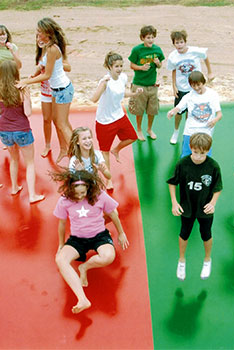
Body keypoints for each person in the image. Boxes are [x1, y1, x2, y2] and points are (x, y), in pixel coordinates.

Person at [52, 169, 129, 314]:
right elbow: (62, 224)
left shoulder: (99, 195)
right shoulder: (64, 200)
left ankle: (84, 267)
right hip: (77, 239)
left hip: (99, 235)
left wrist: (121, 233)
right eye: (77, 194)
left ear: (89, 187)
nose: (80, 196)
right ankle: (82, 299)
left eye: (83, 192)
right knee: (60, 259)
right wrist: (61, 244)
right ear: (70, 189)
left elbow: (113, 213)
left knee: (108, 257)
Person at [17, 17, 74, 164]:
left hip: (62, 89)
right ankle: (69, 150)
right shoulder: (48, 48)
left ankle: (77, 157)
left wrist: (26, 81)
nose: (37, 33)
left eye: (39, 31)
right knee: (60, 122)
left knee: (61, 124)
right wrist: (33, 75)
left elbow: (47, 75)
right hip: (57, 90)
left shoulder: (52, 49)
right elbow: (42, 67)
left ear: (47, 33)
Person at [167, 133, 222, 280]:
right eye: (195, 152)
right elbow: (172, 183)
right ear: (190, 147)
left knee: (206, 234)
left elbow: (218, 188)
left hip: (205, 209)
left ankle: (207, 260)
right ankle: (182, 260)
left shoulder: (213, 166)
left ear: (208, 150)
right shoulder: (182, 164)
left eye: (202, 153)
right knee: (184, 233)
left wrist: (212, 203)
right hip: (187, 207)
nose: (198, 156)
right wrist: (174, 202)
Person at [91, 51, 140, 189]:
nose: (119, 69)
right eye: (116, 66)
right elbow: (93, 99)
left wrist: (134, 94)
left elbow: (123, 93)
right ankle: (108, 180)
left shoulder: (123, 77)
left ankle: (116, 150)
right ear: (109, 66)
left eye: (121, 66)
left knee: (132, 137)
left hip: (119, 116)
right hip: (105, 121)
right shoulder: (105, 81)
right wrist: (102, 85)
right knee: (104, 151)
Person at [0, 60, 45, 203]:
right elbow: (28, 112)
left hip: (4, 131)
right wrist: (28, 97)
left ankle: (14, 187)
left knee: (14, 159)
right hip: (22, 130)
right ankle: (32, 195)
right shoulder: (22, 89)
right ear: (15, 72)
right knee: (30, 163)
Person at [167, 29, 214, 144]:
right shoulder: (173, 56)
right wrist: (174, 86)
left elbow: (205, 57)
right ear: (173, 44)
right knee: (178, 112)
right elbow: (173, 70)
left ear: (185, 42)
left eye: (181, 42)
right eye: (177, 43)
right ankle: (176, 131)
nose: (179, 45)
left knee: (191, 111)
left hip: (195, 87)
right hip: (181, 87)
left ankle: (188, 132)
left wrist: (210, 72)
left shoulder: (195, 51)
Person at [32, 35, 71, 158]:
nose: (39, 40)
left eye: (41, 37)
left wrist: (52, 62)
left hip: (57, 90)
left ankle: (64, 148)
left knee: (59, 121)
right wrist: (32, 76)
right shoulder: (40, 56)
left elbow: (68, 67)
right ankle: (47, 145)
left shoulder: (54, 51)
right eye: (37, 37)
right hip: (45, 92)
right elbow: (40, 71)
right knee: (46, 119)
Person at [167, 71, 222, 158]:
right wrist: (172, 112)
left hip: (206, 131)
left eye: (198, 84)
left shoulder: (213, 95)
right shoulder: (188, 96)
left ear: (203, 82)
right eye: (193, 85)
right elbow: (178, 107)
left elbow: (219, 114)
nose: (196, 88)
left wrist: (214, 121)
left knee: (205, 156)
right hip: (190, 131)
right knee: (186, 156)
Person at [128, 25, 165, 141]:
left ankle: (149, 129)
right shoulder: (137, 50)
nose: (151, 40)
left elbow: (160, 66)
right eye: (148, 37)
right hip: (139, 84)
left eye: (152, 37)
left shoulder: (157, 50)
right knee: (139, 110)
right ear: (142, 38)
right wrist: (141, 67)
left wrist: (158, 63)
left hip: (152, 85)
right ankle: (139, 129)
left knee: (152, 109)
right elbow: (131, 65)